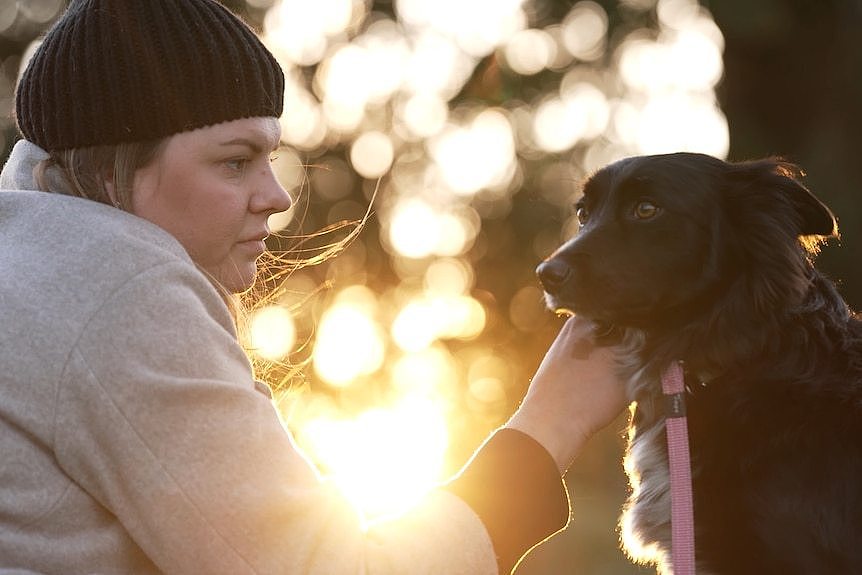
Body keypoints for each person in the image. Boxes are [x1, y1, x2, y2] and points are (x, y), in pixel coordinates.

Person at [0, 1, 628, 574]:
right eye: (233, 161)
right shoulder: (120, 291)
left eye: (270, 158)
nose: (275, 197)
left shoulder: (30, 260)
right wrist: (550, 425)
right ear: (112, 175)